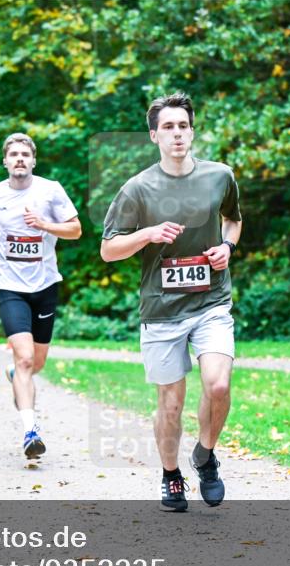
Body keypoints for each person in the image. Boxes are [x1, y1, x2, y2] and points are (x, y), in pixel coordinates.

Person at [100, 92, 242, 512]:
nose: (176, 134)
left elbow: (233, 220)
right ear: (153, 135)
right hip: (161, 309)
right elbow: (109, 249)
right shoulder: (137, 189)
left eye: (183, 126)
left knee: (218, 384)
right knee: (172, 402)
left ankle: (204, 454)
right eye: (168, 127)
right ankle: (171, 475)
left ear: (192, 131)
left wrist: (227, 249)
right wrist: (147, 234)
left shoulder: (220, 176)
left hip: (211, 301)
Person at [0, 133, 82, 460]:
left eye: (25, 155)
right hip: (10, 285)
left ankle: (15, 377)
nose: (19, 159)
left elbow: (75, 230)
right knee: (25, 359)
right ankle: (30, 432)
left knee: (37, 363)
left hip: (45, 285)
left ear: (33, 160)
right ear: (5, 161)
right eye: (13, 154)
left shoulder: (51, 190)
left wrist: (45, 224)